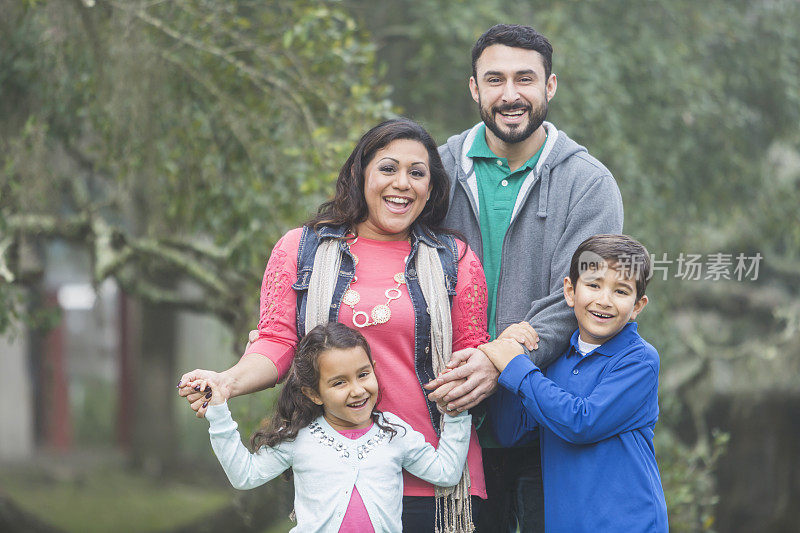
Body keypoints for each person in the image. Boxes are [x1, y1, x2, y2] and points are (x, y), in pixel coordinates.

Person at [178, 118, 489, 531]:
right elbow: (277, 342)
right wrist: (227, 383)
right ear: (361, 174)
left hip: (435, 476)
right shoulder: (302, 249)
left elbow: (474, 360)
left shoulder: (455, 259)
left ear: (430, 189)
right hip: (336, 473)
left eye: (417, 173)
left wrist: (503, 352)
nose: (403, 183)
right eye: (388, 168)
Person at [425, 23, 625, 532]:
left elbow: (580, 297)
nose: (510, 94)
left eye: (524, 79)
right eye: (494, 79)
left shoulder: (588, 183)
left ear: (549, 86)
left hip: (548, 425)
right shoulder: (435, 171)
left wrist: (499, 360)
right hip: (445, 425)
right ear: (474, 88)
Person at [192, 323, 472, 533]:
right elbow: (245, 476)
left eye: (363, 375)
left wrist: (456, 413)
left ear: (374, 369)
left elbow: (446, 472)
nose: (357, 390)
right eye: (339, 382)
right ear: (314, 394)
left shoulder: (393, 432)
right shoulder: (300, 438)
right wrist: (218, 413)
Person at [477, 234, 668, 532]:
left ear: (637, 305)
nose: (604, 300)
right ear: (570, 291)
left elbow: (582, 422)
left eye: (620, 291)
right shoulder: (554, 361)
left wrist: (516, 366)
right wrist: (512, 346)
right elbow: (509, 431)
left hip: (630, 523)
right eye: (593, 285)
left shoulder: (639, 360)